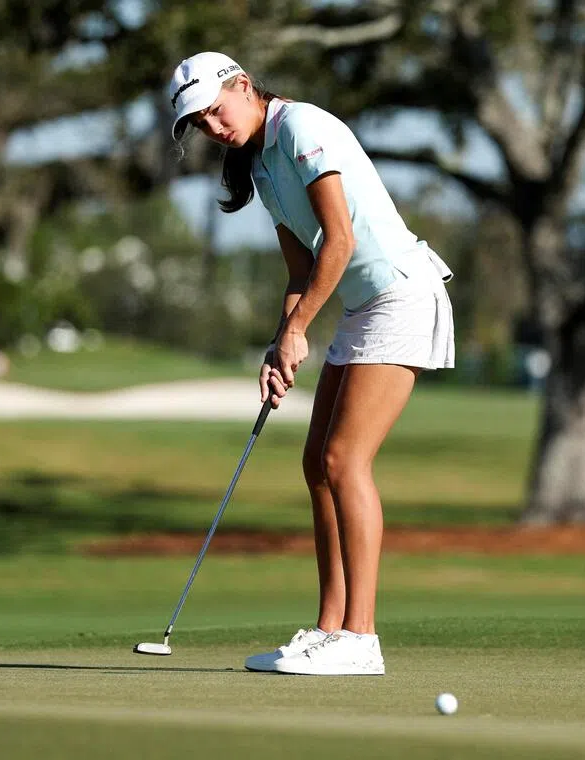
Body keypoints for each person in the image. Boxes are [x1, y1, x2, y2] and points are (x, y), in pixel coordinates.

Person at [168, 52, 454, 676]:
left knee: (344, 460)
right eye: (200, 123)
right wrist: (281, 342)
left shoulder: (300, 128)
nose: (213, 127)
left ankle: (362, 638)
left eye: (215, 110)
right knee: (316, 465)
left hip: (401, 294)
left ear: (244, 86)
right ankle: (329, 631)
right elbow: (301, 271)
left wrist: (300, 330)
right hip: (361, 306)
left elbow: (340, 240)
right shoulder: (260, 163)